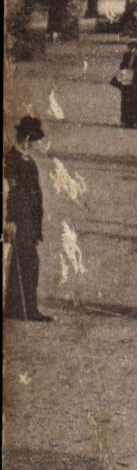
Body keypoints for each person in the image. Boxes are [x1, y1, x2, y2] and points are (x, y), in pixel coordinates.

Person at [4, 117, 50, 322]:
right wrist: (11, 220)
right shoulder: (12, 161)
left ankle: (19, 308)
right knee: (26, 262)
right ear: (27, 139)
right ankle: (24, 309)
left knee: (26, 262)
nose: (39, 144)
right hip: (19, 220)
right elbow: (10, 193)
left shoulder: (26, 160)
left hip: (29, 221)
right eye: (37, 140)